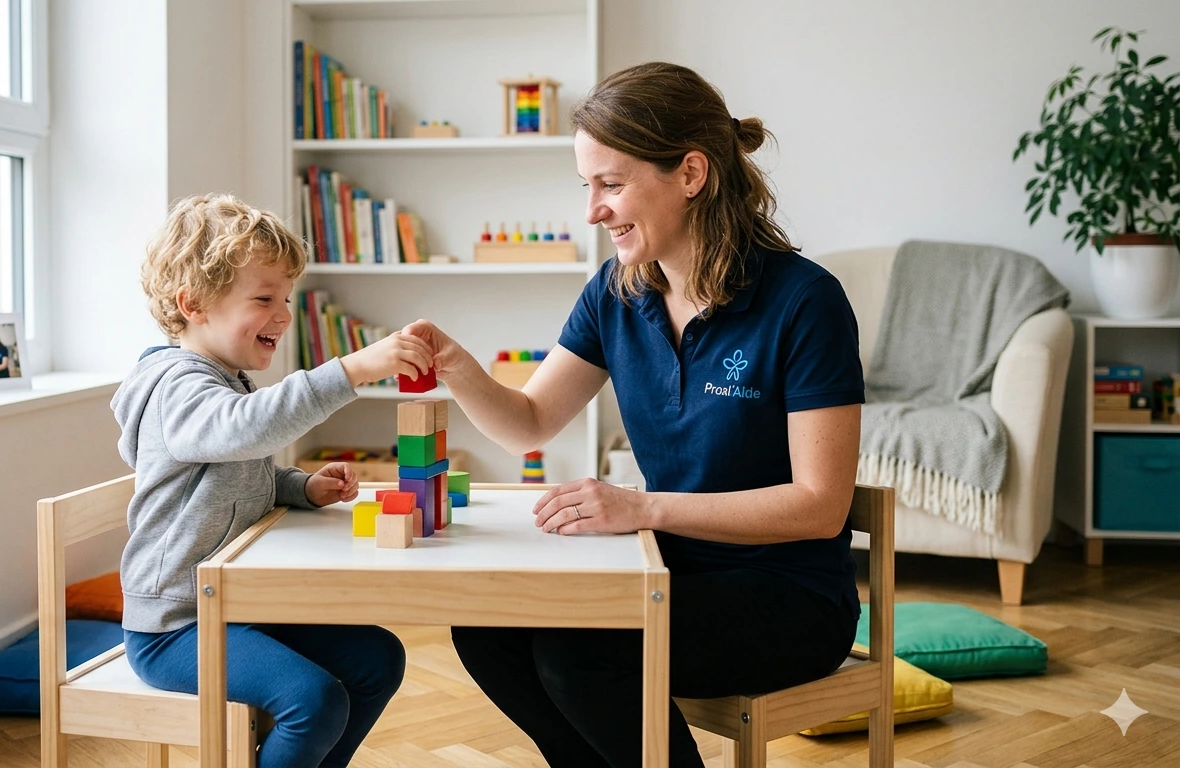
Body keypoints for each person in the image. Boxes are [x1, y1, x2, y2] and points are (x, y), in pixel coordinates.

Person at [402, 62, 865, 768]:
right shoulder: (615, 292)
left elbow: (819, 508)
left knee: (580, 648)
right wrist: (459, 367)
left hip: (787, 596)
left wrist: (642, 507)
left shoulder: (806, 302)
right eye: (587, 187)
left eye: (611, 185)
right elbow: (529, 421)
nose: (592, 212)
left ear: (690, 174)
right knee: (487, 627)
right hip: (660, 569)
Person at [111, 193, 434, 768]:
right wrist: (354, 369)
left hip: (237, 602)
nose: (284, 315)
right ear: (194, 304)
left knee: (377, 658)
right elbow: (244, 433)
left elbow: (235, 473)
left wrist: (298, 486)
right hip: (175, 625)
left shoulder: (224, 381)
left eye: (286, 299)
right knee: (312, 699)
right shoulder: (178, 386)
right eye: (264, 299)